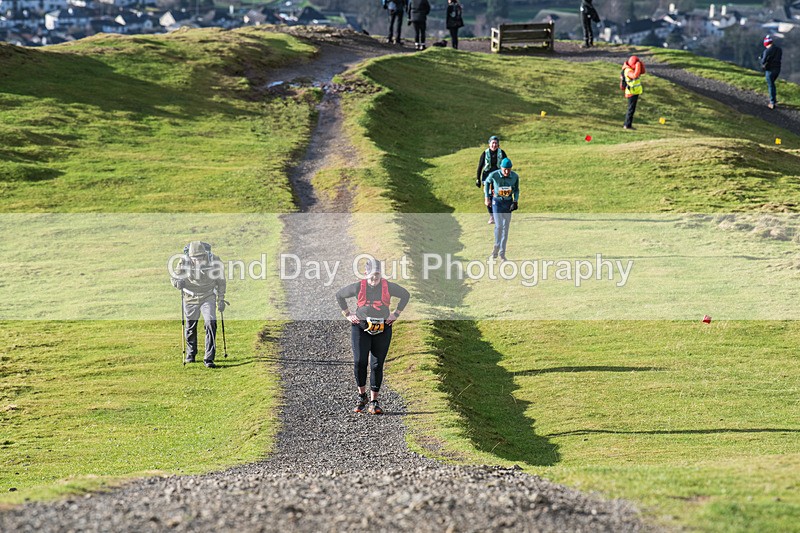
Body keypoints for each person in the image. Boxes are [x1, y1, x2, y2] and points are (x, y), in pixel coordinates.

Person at [336, 258, 410, 415]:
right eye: (371, 276)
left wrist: (396, 314)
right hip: (360, 329)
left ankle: (374, 402)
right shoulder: (358, 287)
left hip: (383, 329)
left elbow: (405, 295)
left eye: (377, 276)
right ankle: (361, 396)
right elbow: (339, 295)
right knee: (360, 361)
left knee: (377, 365)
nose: (374, 279)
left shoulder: (388, 286)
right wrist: (348, 314)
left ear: (381, 274)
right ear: (365, 273)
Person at [171, 241, 227, 368]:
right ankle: (191, 354)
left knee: (211, 322)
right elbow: (174, 277)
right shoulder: (183, 261)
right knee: (190, 327)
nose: (197, 261)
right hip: (190, 297)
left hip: (208, 296)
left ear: (204, 255)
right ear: (190, 257)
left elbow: (221, 282)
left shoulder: (214, 261)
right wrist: (177, 283)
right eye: (194, 258)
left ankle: (209, 358)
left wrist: (221, 299)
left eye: (200, 257)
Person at [484, 158, 520, 261]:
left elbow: (516, 190)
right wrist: (487, 197)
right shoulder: (494, 175)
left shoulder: (515, 176)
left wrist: (515, 201)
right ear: (501, 168)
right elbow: (486, 182)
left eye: (509, 169)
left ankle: (502, 253)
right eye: (505, 169)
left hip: (508, 203)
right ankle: (495, 249)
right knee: (499, 226)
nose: (507, 172)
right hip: (497, 203)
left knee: (505, 229)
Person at [475, 135, 509, 225]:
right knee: (488, 196)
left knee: (500, 195)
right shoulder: (485, 153)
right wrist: (477, 179)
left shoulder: (502, 153)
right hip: (487, 177)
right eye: (492, 143)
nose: (494, 145)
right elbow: (480, 166)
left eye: (496, 143)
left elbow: (506, 165)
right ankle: (492, 216)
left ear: (498, 145)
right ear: (489, 144)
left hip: (498, 177)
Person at [621, 55, 645, 130]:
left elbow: (643, 72)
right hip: (631, 92)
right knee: (631, 109)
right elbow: (635, 75)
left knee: (632, 109)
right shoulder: (628, 70)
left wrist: (640, 64)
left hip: (634, 91)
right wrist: (638, 65)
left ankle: (628, 124)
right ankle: (627, 125)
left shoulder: (631, 68)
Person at [760, 35, 782, 109]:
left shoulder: (767, 51)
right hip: (777, 69)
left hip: (770, 70)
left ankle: (772, 102)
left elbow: (763, 61)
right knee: (772, 84)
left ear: (766, 44)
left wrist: (761, 59)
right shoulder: (779, 49)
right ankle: (774, 99)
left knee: (770, 85)